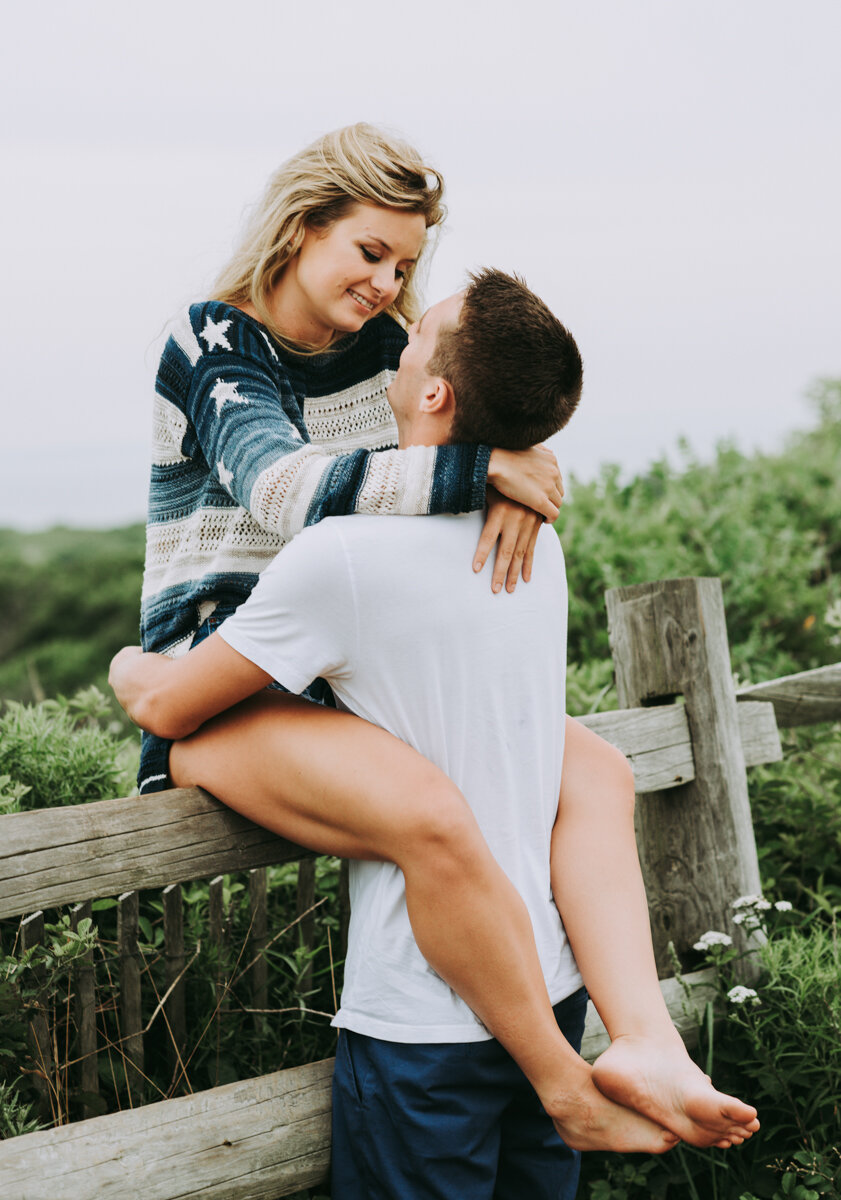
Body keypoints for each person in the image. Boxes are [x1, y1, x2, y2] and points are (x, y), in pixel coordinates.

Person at [112, 269, 759, 1196]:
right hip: (555, 985)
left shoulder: (344, 557)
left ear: (431, 393)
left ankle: (580, 1079)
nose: (400, 328)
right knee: (597, 768)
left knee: (428, 812)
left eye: (420, 334)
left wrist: (128, 666)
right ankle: (646, 1039)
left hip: (422, 1023)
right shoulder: (532, 540)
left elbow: (171, 712)